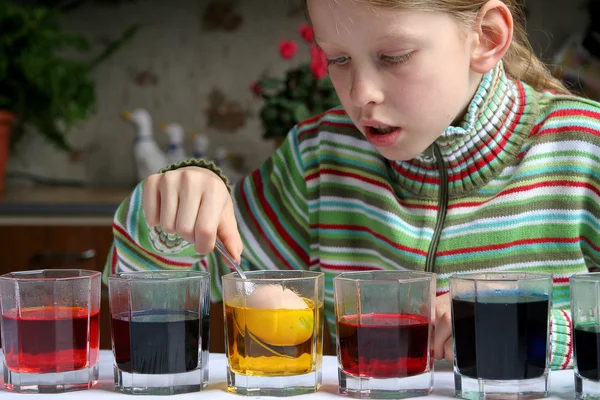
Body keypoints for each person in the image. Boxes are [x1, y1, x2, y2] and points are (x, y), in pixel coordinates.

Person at [103, 0, 600, 370]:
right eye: (338, 60)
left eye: (395, 56)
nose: (361, 94)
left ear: (487, 38)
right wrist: (170, 219)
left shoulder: (585, 148)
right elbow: (152, 297)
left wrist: (531, 332)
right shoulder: (319, 158)